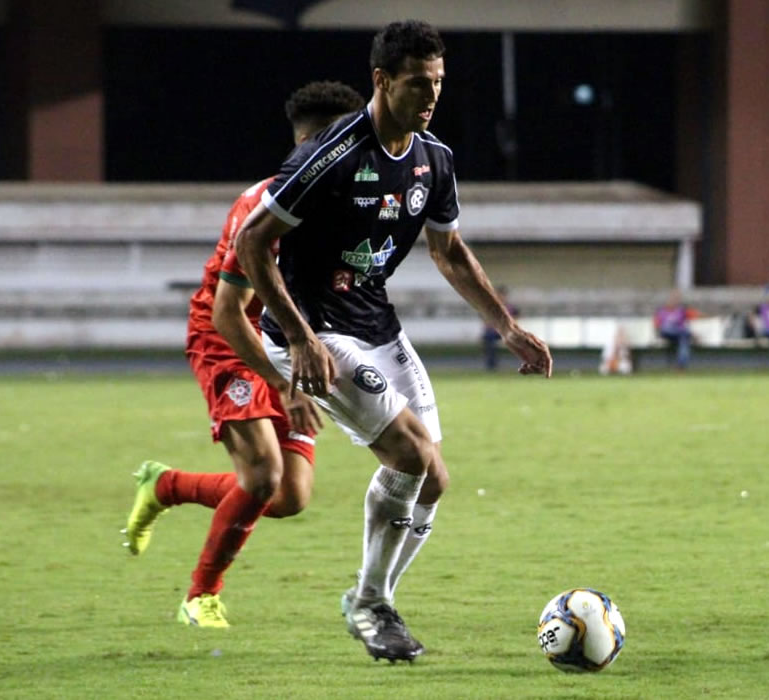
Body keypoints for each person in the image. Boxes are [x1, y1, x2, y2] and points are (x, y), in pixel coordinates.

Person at [233, 20, 553, 663]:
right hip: (313, 331)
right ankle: (373, 605)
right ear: (381, 81)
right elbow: (252, 243)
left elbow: (450, 250)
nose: (430, 95)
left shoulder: (435, 160)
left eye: (437, 82)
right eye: (416, 83)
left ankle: (368, 597)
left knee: (433, 476)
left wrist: (507, 326)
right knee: (408, 455)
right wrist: (297, 338)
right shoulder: (332, 154)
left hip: (376, 325)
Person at [121, 81, 366, 629]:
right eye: (352, 140)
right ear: (323, 141)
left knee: (289, 497)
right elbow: (229, 314)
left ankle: (165, 486)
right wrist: (284, 386)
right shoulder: (264, 207)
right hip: (229, 339)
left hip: (290, 343)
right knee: (261, 477)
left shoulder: (338, 202)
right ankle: (199, 596)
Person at [653, 289, 700, 370]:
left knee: (684, 340)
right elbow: (657, 326)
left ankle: (681, 365)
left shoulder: (682, 311)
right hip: (666, 332)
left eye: (676, 299)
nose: (674, 301)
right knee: (680, 331)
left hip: (679, 335)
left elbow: (698, 315)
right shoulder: (661, 311)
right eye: (673, 298)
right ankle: (691, 334)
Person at [481, 286, 520, 371]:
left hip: (506, 332)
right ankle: (491, 365)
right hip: (493, 332)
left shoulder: (511, 308)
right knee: (489, 339)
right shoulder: (489, 307)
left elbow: (515, 321)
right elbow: (486, 321)